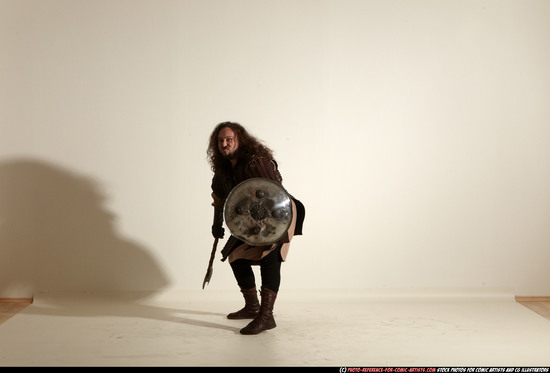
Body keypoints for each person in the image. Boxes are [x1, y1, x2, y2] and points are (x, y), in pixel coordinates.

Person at [207, 121, 305, 335]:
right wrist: (217, 224)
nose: (224, 144)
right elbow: (220, 200)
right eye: (221, 140)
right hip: (252, 220)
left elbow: (274, 192)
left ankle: (267, 316)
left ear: (239, 140)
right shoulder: (222, 172)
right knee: (235, 255)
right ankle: (252, 306)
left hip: (279, 214)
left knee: (271, 255)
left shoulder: (256, 162)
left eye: (229, 139)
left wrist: (271, 223)